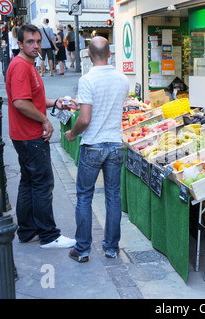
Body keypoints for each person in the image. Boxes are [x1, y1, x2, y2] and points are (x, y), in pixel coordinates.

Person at [5, 24, 77, 249]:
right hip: (29, 136)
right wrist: (45, 120)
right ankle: (49, 235)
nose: (36, 46)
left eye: (37, 41)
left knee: (29, 182)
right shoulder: (20, 67)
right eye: (30, 42)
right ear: (19, 44)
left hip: (25, 135)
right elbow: (20, 102)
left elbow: (32, 99)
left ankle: (27, 231)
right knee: (43, 183)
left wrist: (55, 102)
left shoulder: (29, 64)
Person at [65, 36, 129, 262]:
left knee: (84, 197)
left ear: (89, 55)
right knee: (113, 196)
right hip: (115, 145)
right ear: (110, 53)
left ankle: (82, 250)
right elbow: (109, 105)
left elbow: (85, 119)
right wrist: (81, 103)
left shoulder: (87, 79)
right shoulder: (122, 79)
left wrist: (72, 133)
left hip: (92, 145)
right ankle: (111, 248)